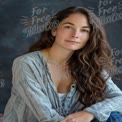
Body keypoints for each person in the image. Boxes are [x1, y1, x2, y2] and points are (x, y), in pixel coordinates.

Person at [2, 6, 122, 122]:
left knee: (113, 117)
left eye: (84, 30)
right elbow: (47, 117)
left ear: (90, 36)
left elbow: (119, 98)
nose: (75, 34)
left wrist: (90, 113)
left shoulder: (90, 64)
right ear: (54, 30)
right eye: (68, 27)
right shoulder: (26, 63)